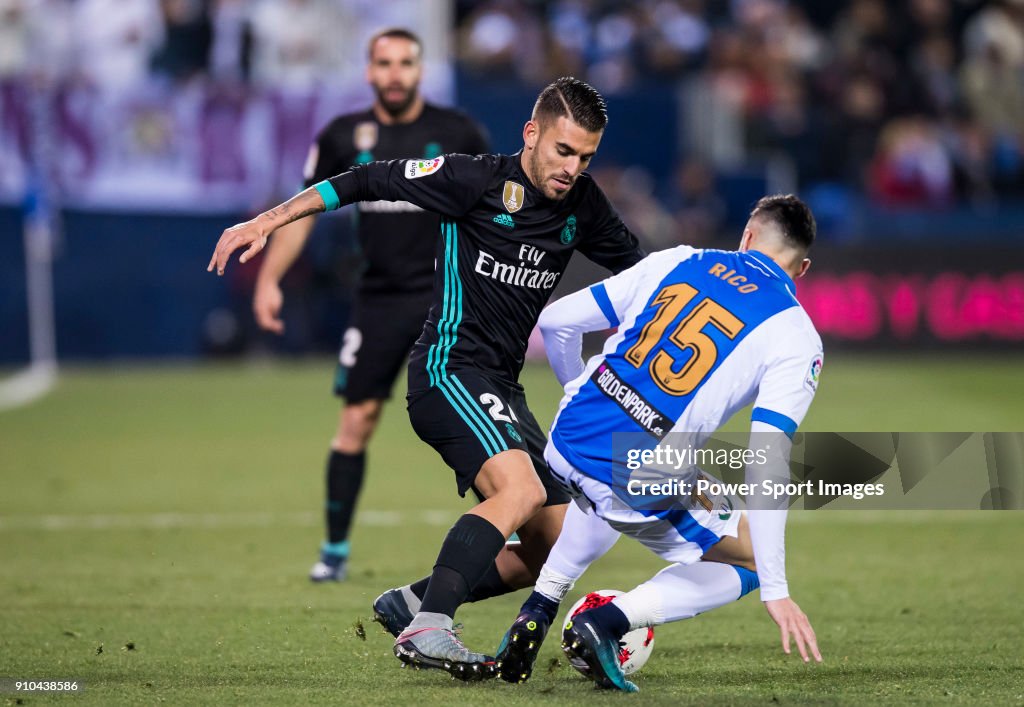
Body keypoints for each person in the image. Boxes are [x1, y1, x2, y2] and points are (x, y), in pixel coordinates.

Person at [208, 77, 646, 680]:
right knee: (515, 492)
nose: (572, 168)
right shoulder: (473, 179)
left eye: (585, 157)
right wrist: (270, 220)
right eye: (563, 151)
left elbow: (649, 277)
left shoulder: (584, 205)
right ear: (532, 133)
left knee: (559, 542)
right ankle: (428, 629)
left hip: (503, 387)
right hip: (448, 369)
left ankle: (412, 601)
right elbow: (363, 179)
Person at [494, 194, 824, 691]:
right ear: (802, 268)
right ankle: (607, 622)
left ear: (748, 237)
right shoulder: (796, 335)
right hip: (635, 471)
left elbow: (558, 321)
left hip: (566, 437)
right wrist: (776, 590)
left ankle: (539, 606)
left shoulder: (680, 259)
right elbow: (767, 461)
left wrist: (575, 391)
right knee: (753, 559)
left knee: (624, 483)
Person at [251, 28, 489, 582]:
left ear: (420, 70)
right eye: (384, 63)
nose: (395, 73)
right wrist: (270, 279)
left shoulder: (458, 131)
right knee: (357, 420)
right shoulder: (341, 136)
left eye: (406, 62)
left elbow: (490, 211)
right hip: (378, 300)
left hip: (446, 299)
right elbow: (301, 213)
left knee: (473, 416)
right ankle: (333, 553)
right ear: (368, 72)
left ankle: (514, 520)